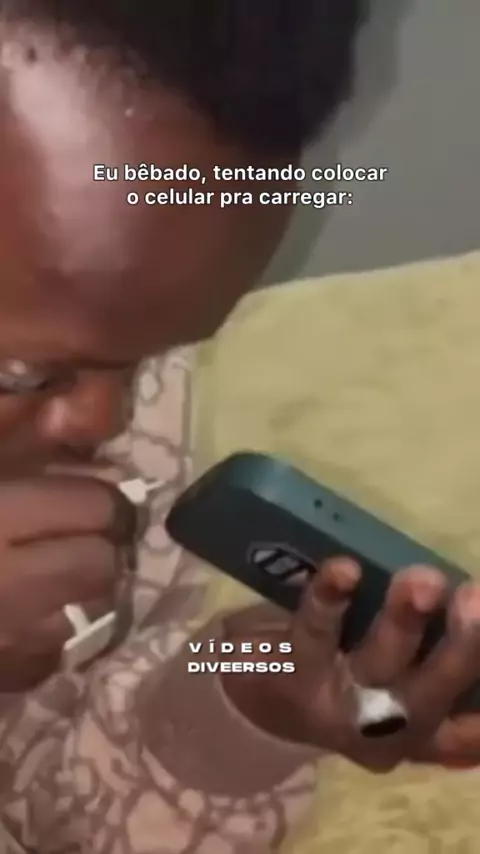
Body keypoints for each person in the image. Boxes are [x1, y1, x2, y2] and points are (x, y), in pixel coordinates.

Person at [0, 2, 480, 851]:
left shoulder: (141, 428)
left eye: (152, 357)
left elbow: (54, 804)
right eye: (22, 373)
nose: (105, 421)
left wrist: (247, 694)